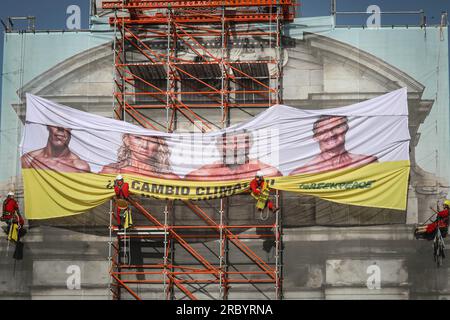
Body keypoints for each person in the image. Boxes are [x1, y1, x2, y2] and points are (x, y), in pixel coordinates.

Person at [290, 115, 378, 175]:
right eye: (323, 131)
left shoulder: (368, 163)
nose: (331, 134)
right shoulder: (302, 173)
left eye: (336, 128)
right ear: (315, 137)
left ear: (346, 130)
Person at [185, 130, 281, 181]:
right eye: (228, 143)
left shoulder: (267, 171)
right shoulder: (205, 173)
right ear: (218, 146)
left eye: (240, 142)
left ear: (250, 145)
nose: (234, 147)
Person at [100, 134, 179, 180]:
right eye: (138, 138)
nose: (144, 145)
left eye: (152, 140)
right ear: (127, 140)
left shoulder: (169, 178)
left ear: (159, 144)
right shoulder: (111, 171)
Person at [21, 125, 91, 173]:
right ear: (48, 126)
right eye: (54, 121)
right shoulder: (28, 160)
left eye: (65, 123)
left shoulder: (80, 167)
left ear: (71, 128)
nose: (60, 127)